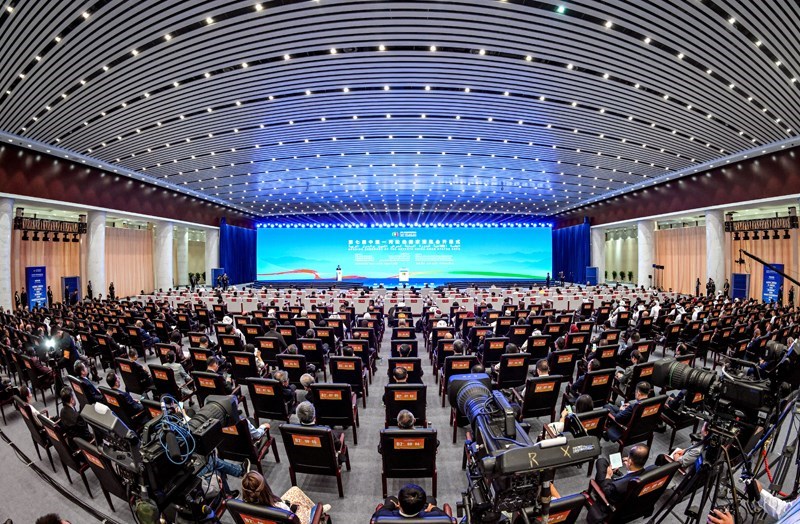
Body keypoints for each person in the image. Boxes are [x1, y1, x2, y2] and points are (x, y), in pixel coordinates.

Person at [587, 444, 653, 523]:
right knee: (603, 462)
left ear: (630, 462)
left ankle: (598, 490)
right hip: (633, 502)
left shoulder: (618, 486)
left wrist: (608, 476)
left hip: (612, 498)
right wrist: (629, 463)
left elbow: (607, 490)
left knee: (601, 462)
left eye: (628, 457)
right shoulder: (651, 471)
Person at [241, 470, 329, 524]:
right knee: (309, 507)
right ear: (265, 488)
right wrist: (290, 510)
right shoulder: (280, 509)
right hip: (292, 519)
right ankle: (316, 513)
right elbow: (295, 520)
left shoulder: (240, 507)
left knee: (294, 490)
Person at [372, 484, 449, 519]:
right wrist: (433, 508)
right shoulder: (436, 516)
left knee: (390, 499)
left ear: (399, 504)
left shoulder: (383, 516)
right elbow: (447, 518)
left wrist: (390, 506)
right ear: (422, 506)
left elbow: (375, 516)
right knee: (431, 499)